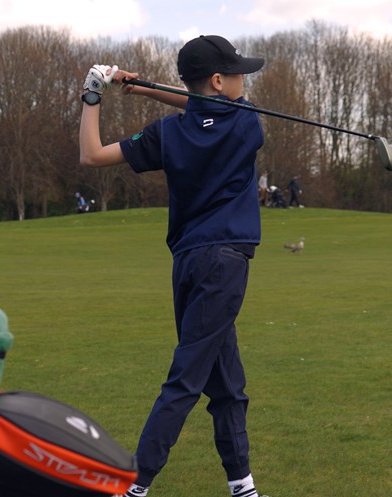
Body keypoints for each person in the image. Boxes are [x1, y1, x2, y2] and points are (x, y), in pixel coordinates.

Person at [78, 35, 266, 497]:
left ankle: (242, 484)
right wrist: (148, 88)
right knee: (185, 380)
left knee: (228, 385)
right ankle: (135, 486)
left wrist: (94, 95)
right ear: (220, 81)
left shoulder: (167, 132)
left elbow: (92, 155)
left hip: (188, 263)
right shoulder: (247, 123)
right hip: (226, 262)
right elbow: (201, 105)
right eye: (238, 73)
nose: (244, 80)